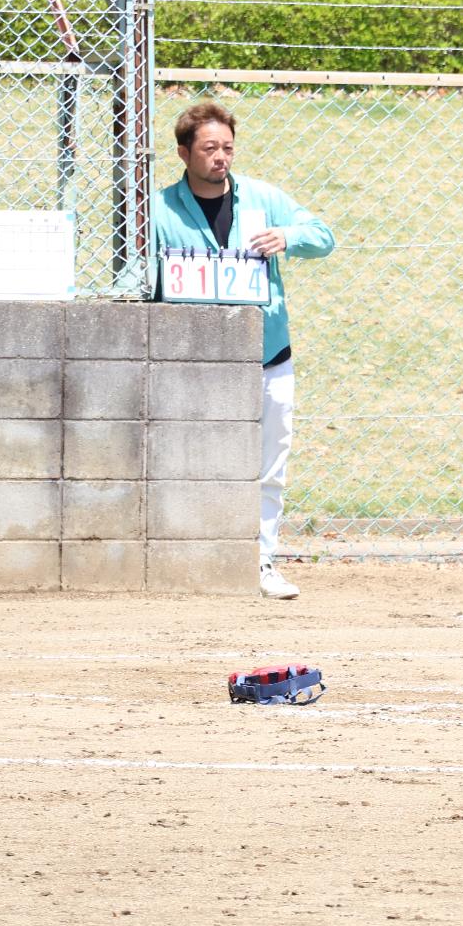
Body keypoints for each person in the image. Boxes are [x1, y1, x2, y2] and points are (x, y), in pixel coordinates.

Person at [154, 102, 335, 601]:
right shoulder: (159, 209)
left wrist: (288, 237)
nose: (221, 157)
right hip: (198, 362)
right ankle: (192, 561)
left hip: (268, 352)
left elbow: (324, 237)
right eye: (209, 148)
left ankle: (261, 561)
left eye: (228, 148)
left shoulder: (263, 198)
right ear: (183, 153)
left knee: (269, 466)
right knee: (192, 463)